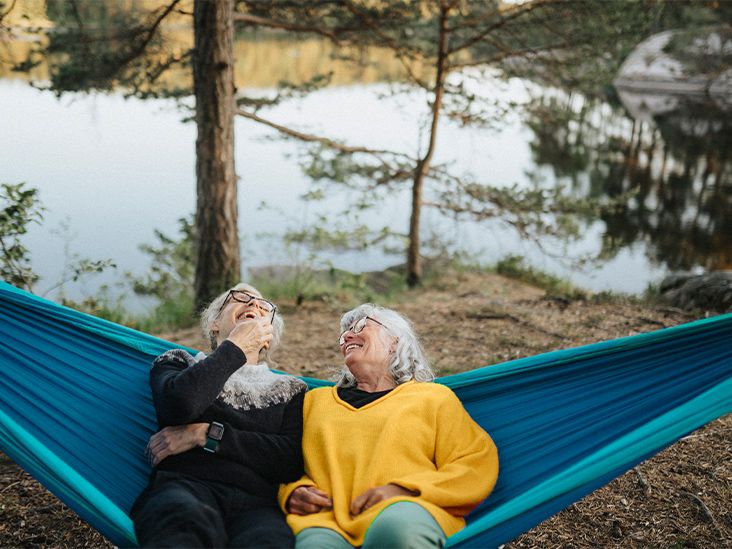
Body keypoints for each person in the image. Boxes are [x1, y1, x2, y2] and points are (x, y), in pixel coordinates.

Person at [280, 304, 499, 549]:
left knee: (395, 531)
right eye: (344, 335)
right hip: (328, 522)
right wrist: (292, 493)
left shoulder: (433, 398)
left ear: (395, 342)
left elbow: (475, 462)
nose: (348, 337)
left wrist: (404, 491)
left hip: (406, 513)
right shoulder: (313, 402)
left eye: (361, 326)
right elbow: (281, 464)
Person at [131, 283, 307, 548]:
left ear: (268, 336)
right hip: (186, 488)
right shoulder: (179, 363)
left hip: (258, 505)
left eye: (262, 304)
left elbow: (288, 459)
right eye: (240, 298)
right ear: (214, 323)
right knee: (182, 524)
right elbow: (180, 405)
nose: (253, 304)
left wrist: (205, 434)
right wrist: (235, 346)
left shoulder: (290, 390)